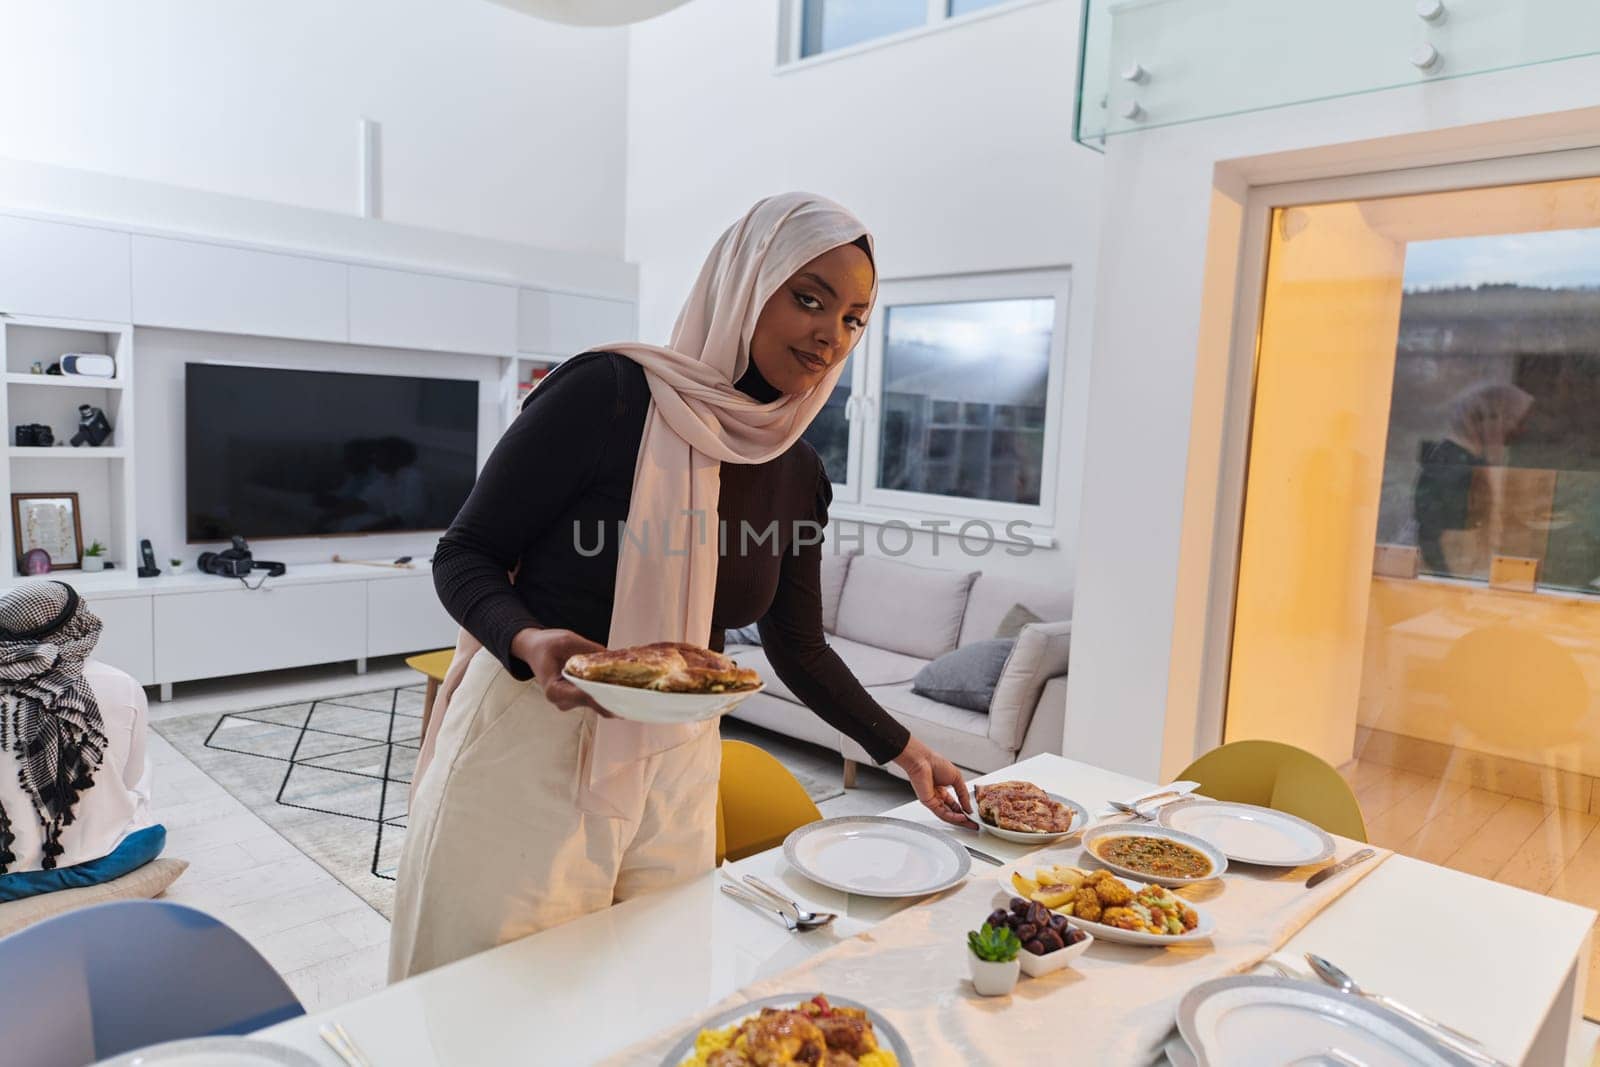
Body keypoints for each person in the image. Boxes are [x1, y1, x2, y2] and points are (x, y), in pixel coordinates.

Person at [391, 193, 975, 980]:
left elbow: (796, 646)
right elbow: (465, 553)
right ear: (743, 282)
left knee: (645, 996)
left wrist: (904, 750)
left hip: (678, 763)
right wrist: (529, 640)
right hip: (533, 742)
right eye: (809, 299)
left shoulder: (795, 466)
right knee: (496, 1004)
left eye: (853, 319)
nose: (829, 335)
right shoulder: (608, 393)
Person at [0, 582, 156, 889]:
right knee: (143, 769)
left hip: (7, 870)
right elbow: (131, 777)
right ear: (77, 623)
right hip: (101, 855)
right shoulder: (121, 684)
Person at [1414, 382, 1533, 574]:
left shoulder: (1466, 456)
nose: (1518, 431)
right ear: (1486, 418)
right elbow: (1437, 538)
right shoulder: (1456, 463)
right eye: (1514, 420)